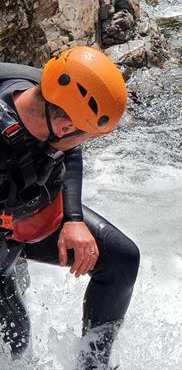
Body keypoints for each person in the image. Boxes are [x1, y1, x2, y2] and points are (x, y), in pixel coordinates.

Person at [0, 46, 140, 369]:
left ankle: (92, 365)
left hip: (28, 209)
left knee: (121, 260)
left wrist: (73, 219)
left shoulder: (48, 97)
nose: (82, 145)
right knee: (18, 339)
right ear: (65, 128)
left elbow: (69, 153)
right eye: (85, 137)